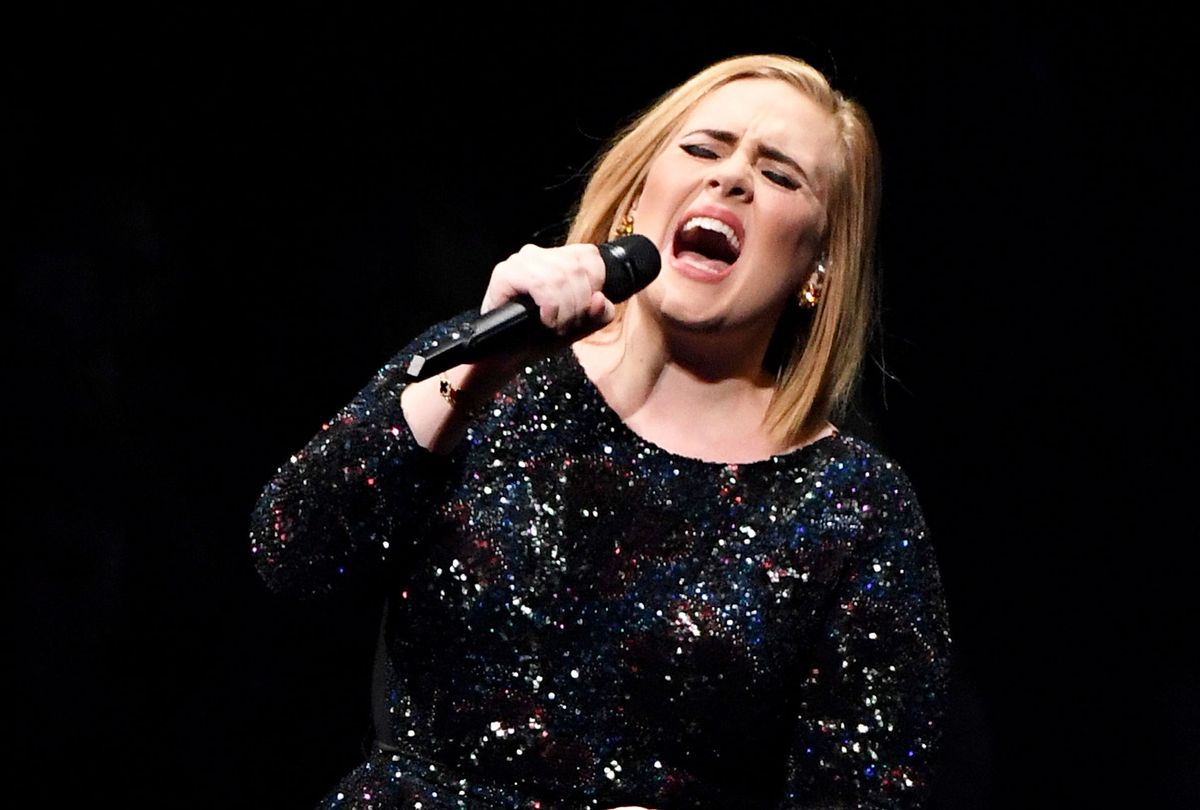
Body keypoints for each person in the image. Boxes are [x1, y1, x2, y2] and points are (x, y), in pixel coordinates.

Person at [250, 53, 951, 809]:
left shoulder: (854, 509)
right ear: (636, 202)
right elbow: (293, 551)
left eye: (781, 176)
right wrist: (481, 374)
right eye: (703, 148)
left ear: (819, 265)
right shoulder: (497, 368)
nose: (732, 178)